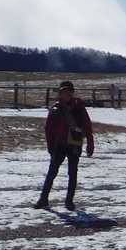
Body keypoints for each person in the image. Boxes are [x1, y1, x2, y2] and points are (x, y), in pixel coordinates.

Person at [35, 80, 95, 210]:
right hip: (59, 145)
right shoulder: (56, 108)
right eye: (64, 92)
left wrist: (90, 143)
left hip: (74, 144)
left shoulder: (79, 107)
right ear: (60, 93)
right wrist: (50, 146)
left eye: (69, 92)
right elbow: (48, 129)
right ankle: (43, 199)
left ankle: (69, 201)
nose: (67, 94)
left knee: (72, 173)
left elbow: (87, 125)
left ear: (72, 93)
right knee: (52, 172)